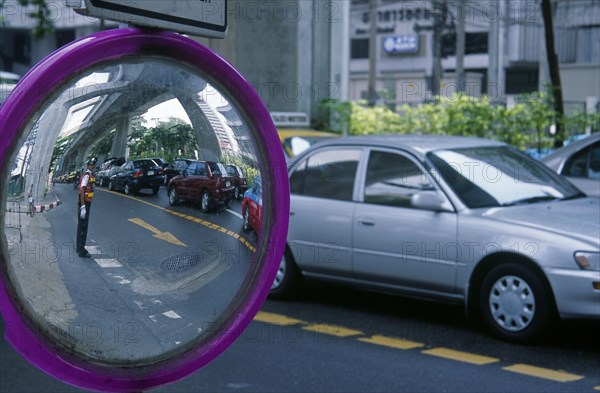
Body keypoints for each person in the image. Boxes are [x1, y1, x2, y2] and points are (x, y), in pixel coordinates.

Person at [76, 158, 96, 258]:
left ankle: (79, 247)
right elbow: (82, 190)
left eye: (93, 165)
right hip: (84, 204)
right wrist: (83, 207)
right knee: (83, 227)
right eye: (90, 165)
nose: (92, 166)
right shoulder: (87, 176)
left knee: (82, 226)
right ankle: (81, 250)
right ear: (87, 166)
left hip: (87, 203)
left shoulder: (91, 175)